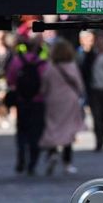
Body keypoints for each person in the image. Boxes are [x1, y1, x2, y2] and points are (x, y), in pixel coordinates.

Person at [39, 39, 85, 175]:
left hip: (53, 100)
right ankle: (67, 162)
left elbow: (44, 85)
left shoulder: (50, 67)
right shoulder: (72, 66)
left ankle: (52, 153)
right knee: (68, 131)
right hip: (70, 101)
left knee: (52, 128)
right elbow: (79, 85)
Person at [6, 35, 47, 175]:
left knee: (22, 132)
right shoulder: (42, 63)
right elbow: (46, 84)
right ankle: (32, 164)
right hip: (38, 102)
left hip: (21, 101)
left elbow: (10, 80)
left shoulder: (17, 61)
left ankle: (21, 157)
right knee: (35, 133)